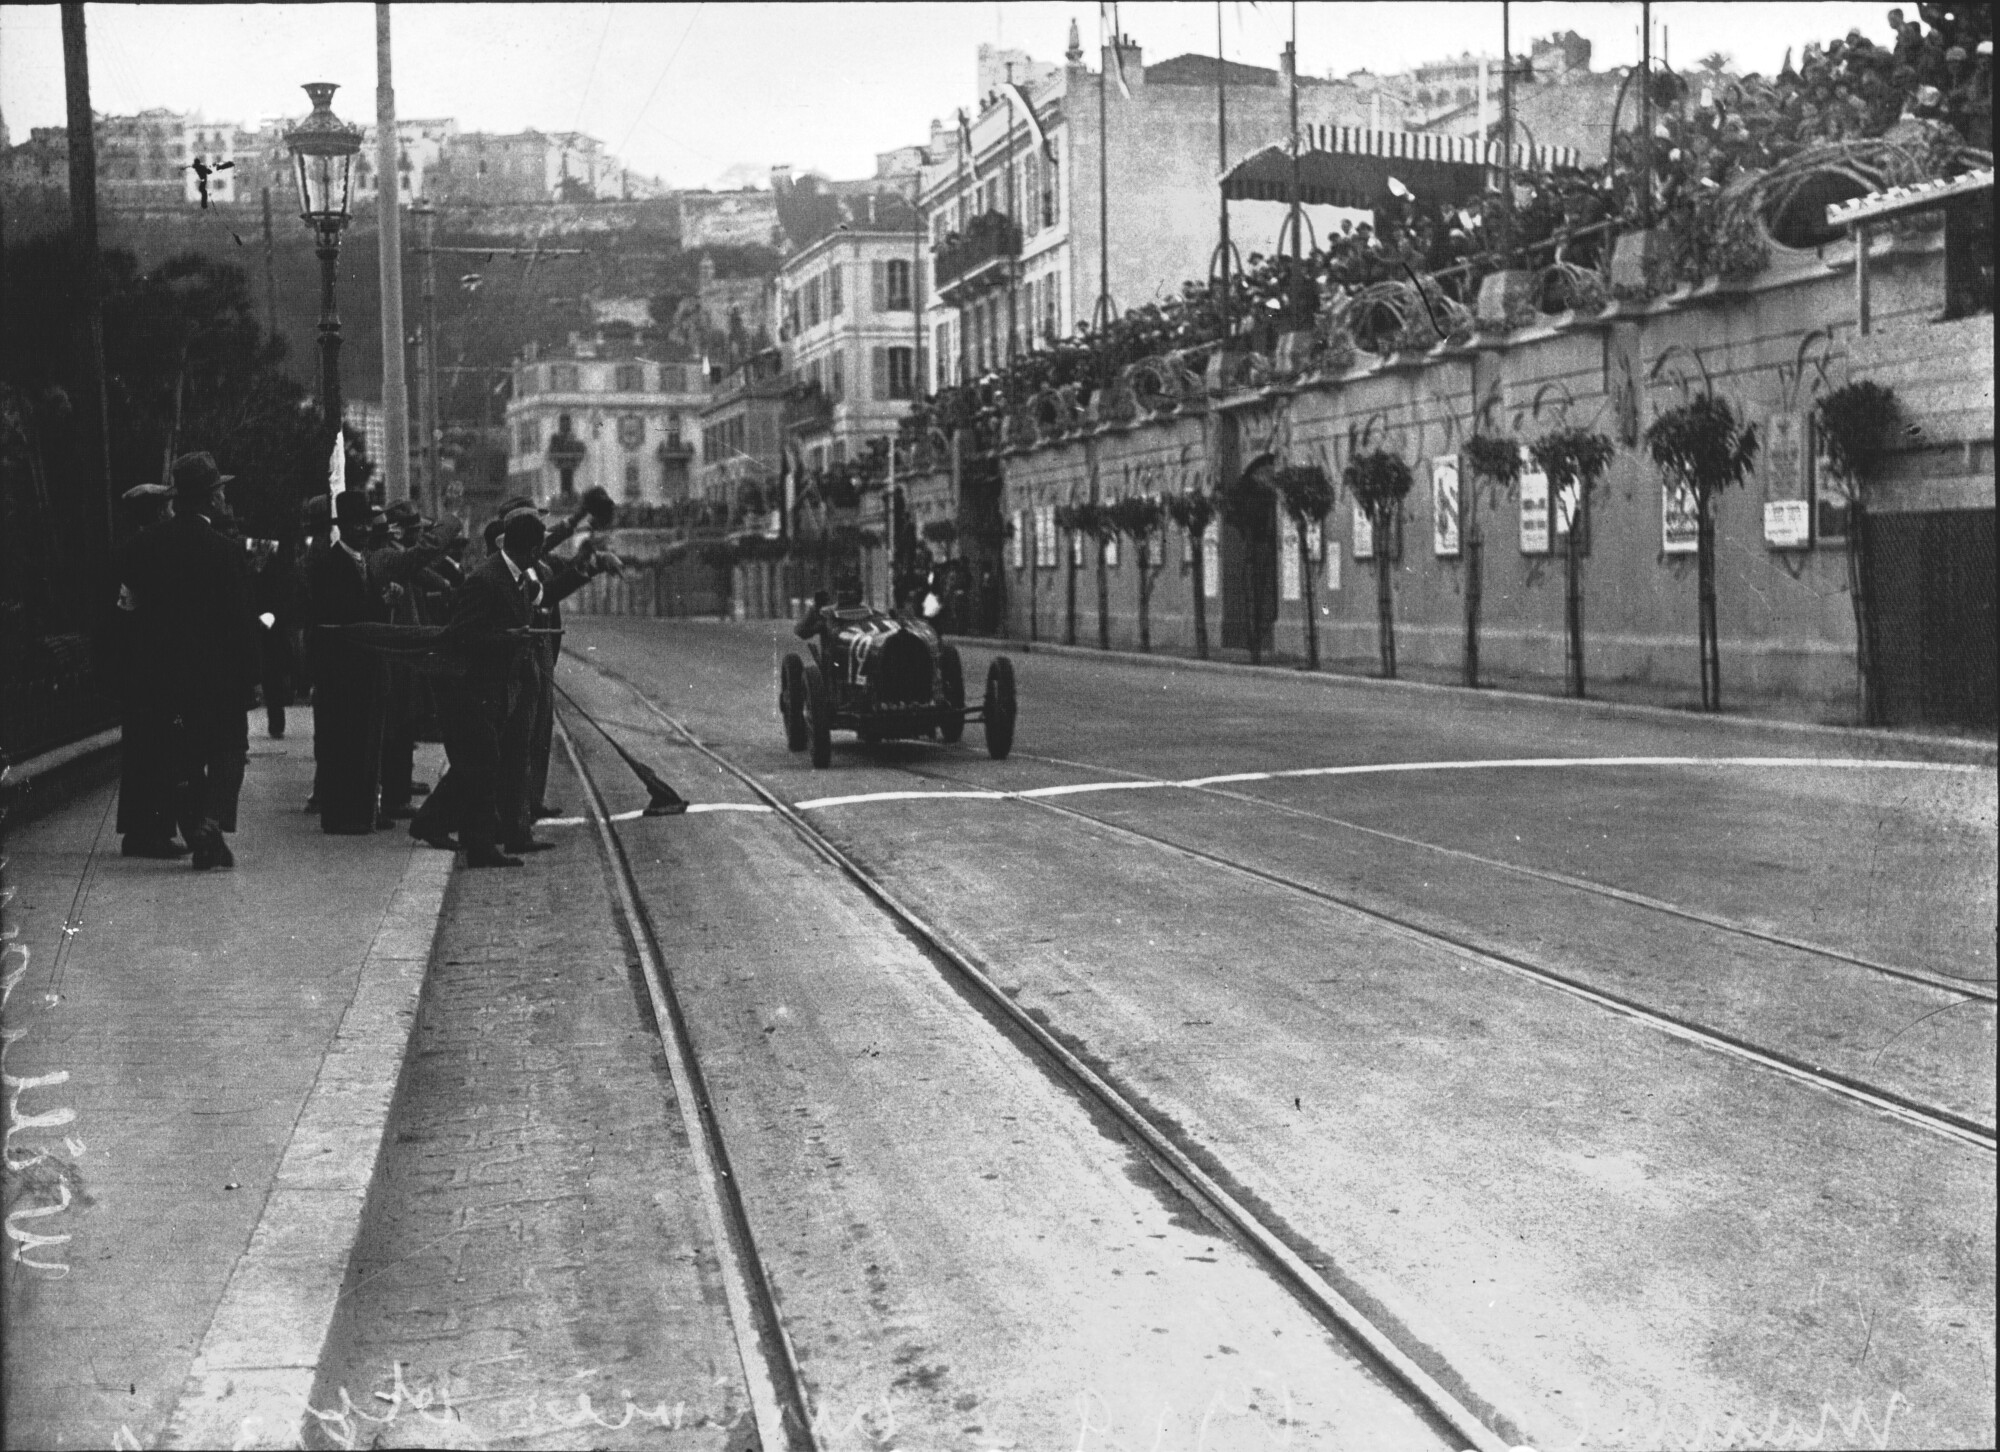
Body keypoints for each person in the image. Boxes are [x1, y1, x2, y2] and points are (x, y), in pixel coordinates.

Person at [119, 453, 259, 870]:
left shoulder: (145, 546)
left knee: (182, 759)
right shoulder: (227, 552)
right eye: (220, 491)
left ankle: (198, 826)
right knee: (229, 751)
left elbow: (133, 611)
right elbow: (241, 620)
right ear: (211, 499)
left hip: (165, 679)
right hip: (220, 679)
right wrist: (252, 676)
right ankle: (212, 822)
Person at [427, 511, 549, 868]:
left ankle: (477, 840)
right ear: (529, 549)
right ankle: (479, 847)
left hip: (496, 688)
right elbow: (460, 635)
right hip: (476, 688)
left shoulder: (509, 576)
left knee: (484, 764)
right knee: (483, 765)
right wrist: (508, 640)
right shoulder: (487, 579)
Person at [306, 489, 389, 834]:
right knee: (343, 742)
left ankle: (362, 810)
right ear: (343, 527)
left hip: (363, 668)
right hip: (341, 672)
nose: (365, 530)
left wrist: (385, 602)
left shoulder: (362, 561)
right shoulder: (330, 563)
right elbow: (339, 615)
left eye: (367, 523)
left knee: (363, 741)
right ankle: (343, 815)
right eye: (357, 524)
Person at [112, 482, 185, 857]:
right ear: (158, 511)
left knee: (142, 749)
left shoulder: (131, 548)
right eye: (168, 507)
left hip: (137, 667)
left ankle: (140, 830)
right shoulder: (154, 550)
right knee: (158, 750)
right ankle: (153, 832)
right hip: (154, 666)